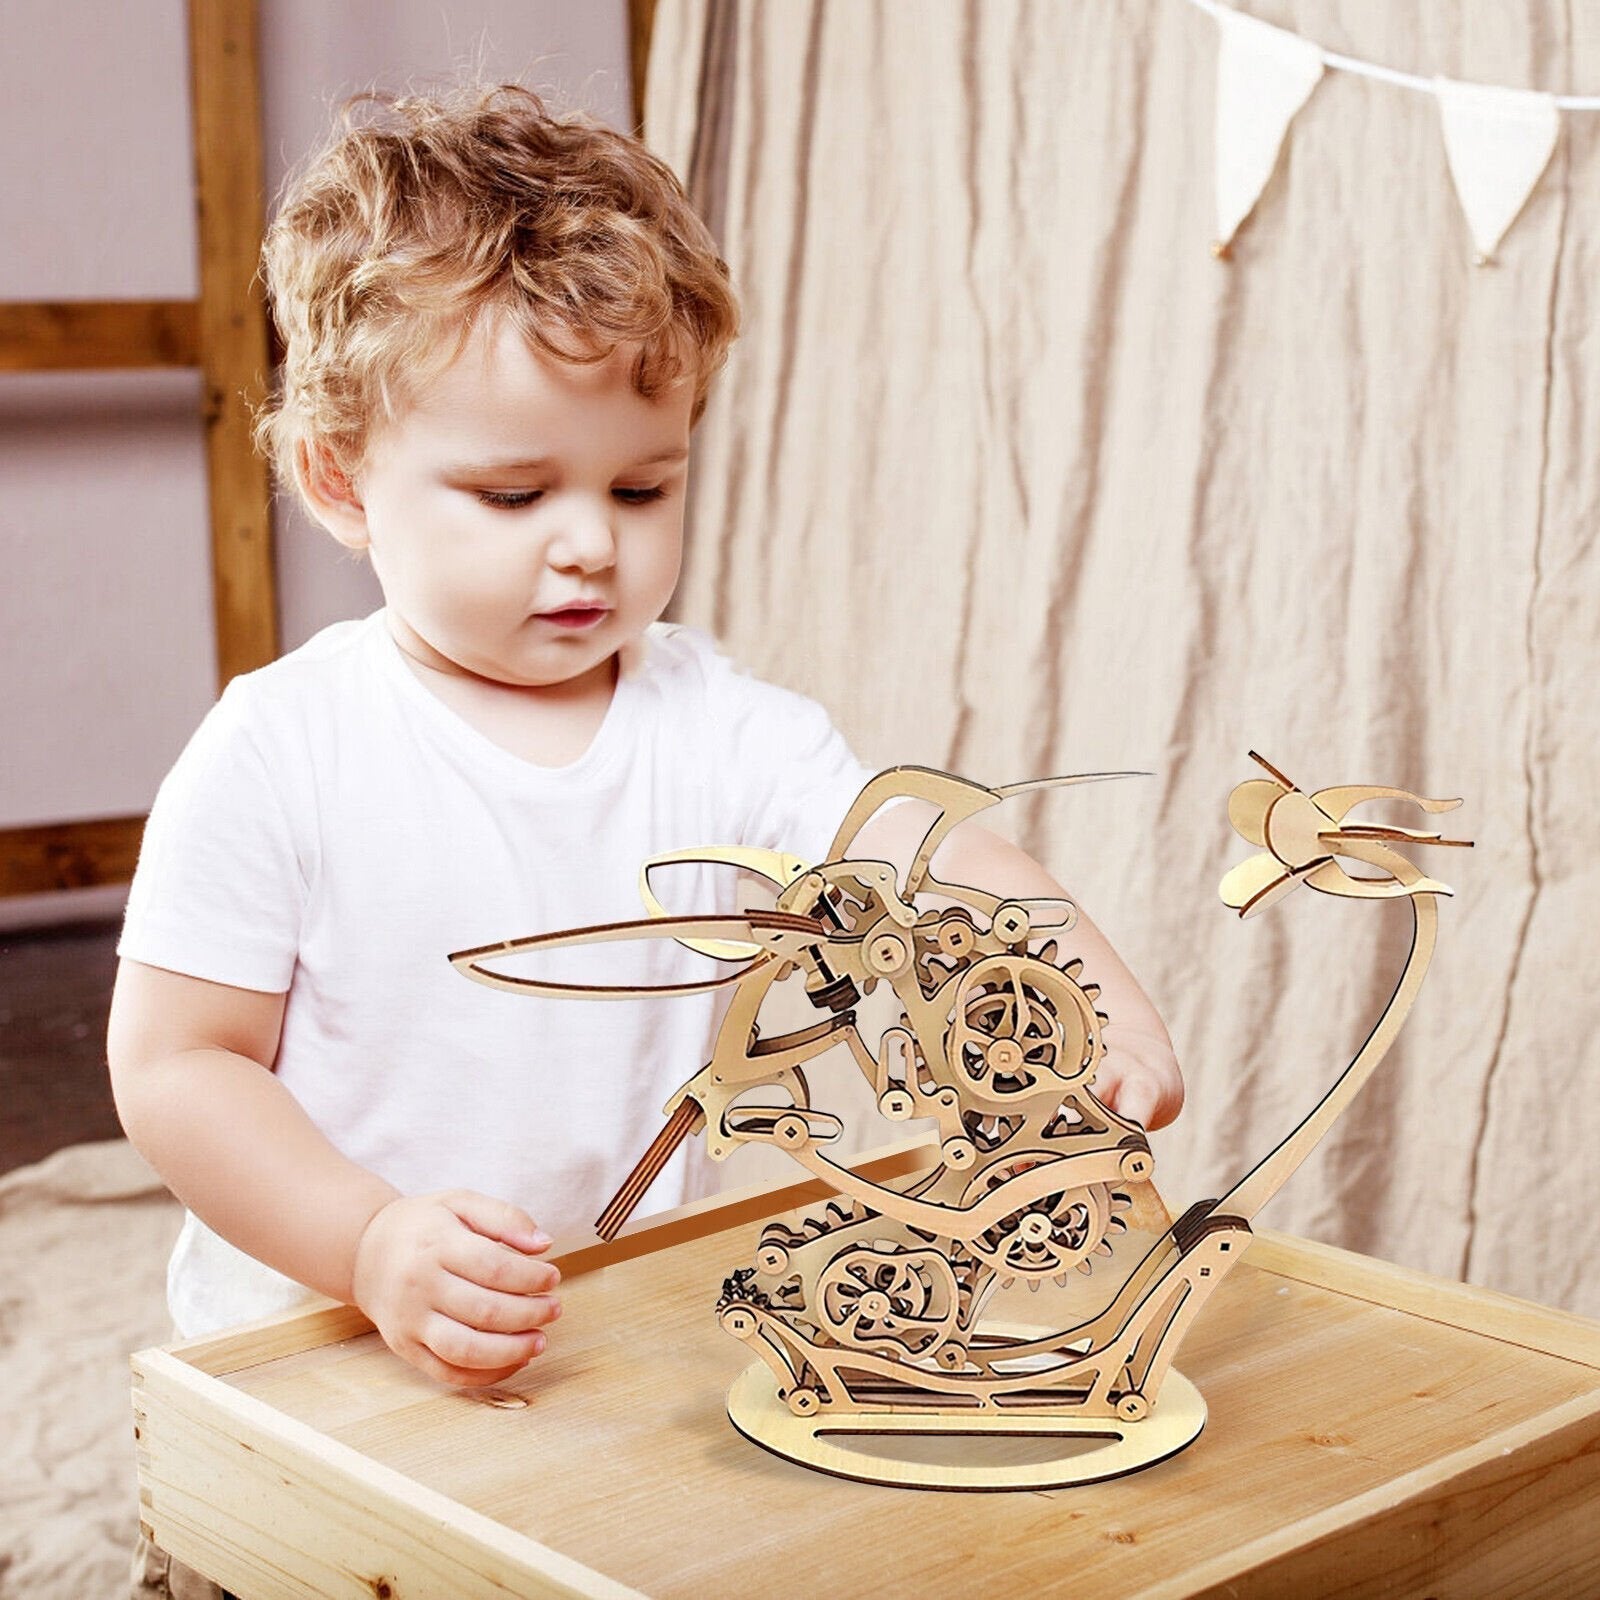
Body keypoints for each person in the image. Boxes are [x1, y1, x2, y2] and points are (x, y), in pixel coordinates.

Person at [111, 84, 1182, 1598]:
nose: (591, 542)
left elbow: (919, 862)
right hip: (313, 1375)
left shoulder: (721, 723)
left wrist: (1073, 978)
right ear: (340, 480)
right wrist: (363, 1243)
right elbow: (177, 1067)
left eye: (642, 485)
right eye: (511, 491)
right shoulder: (280, 749)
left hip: (596, 1340)